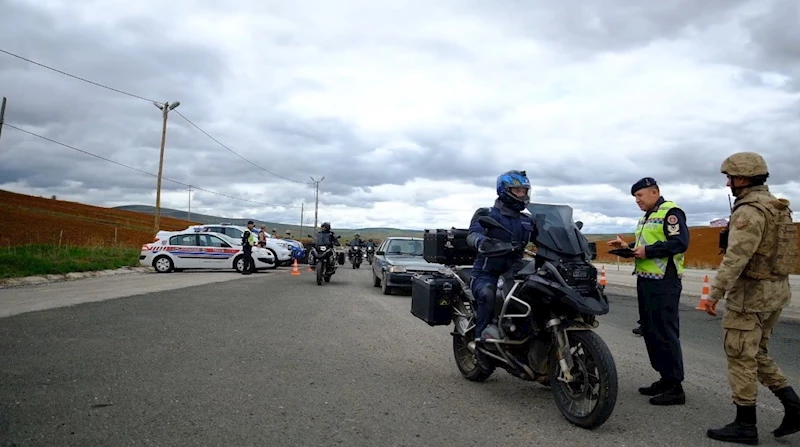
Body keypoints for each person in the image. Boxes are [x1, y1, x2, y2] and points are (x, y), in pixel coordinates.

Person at [703, 152, 799, 444]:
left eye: (730, 178)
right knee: (757, 354)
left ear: (742, 178)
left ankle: (745, 425)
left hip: (751, 296)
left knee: (740, 355)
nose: (728, 184)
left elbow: (736, 258)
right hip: (776, 293)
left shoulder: (749, 211)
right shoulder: (777, 207)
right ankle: (793, 405)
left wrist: (714, 293)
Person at [607, 177, 689, 405]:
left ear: (654, 192)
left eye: (640, 196)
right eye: (635, 197)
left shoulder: (670, 212)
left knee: (665, 332)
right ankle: (665, 378)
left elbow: (680, 243)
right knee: (651, 331)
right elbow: (645, 247)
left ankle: (675, 387)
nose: (638, 201)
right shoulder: (647, 217)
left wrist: (648, 251)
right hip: (647, 280)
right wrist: (628, 248)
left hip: (665, 281)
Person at [466, 170, 537, 349]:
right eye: (517, 190)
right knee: (488, 296)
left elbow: (545, 238)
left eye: (524, 191)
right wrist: (482, 242)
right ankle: (480, 344)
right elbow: (473, 233)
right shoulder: (487, 214)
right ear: (504, 190)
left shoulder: (527, 220)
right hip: (487, 271)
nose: (522, 194)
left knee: (539, 293)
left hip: (516, 271)